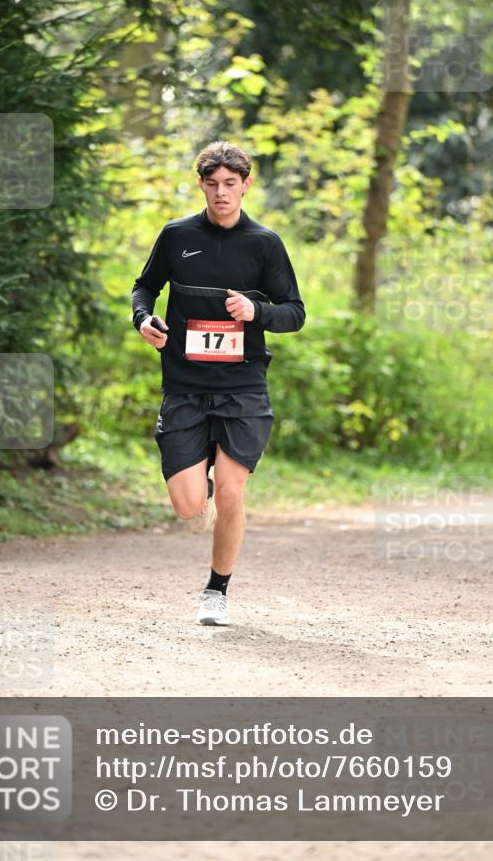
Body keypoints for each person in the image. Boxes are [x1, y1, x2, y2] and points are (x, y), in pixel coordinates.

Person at [131, 141, 305, 626]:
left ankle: (216, 590)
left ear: (246, 185)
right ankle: (200, 481)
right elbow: (144, 287)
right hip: (185, 384)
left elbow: (296, 313)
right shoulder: (176, 235)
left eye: (231, 184)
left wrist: (258, 312)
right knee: (190, 507)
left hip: (243, 387)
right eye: (213, 184)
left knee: (232, 493)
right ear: (202, 185)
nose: (222, 193)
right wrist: (143, 319)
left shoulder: (265, 244)